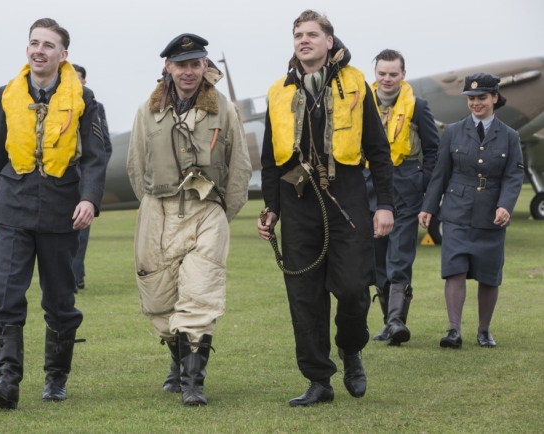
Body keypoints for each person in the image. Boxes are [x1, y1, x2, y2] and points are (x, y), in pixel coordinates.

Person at [257, 10, 394, 406]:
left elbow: (378, 151)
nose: (304, 40)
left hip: (346, 197)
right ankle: (319, 379)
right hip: (296, 199)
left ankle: (351, 349)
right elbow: (270, 160)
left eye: (312, 34)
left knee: (353, 289)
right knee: (303, 295)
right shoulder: (278, 91)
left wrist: (383, 204)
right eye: (298, 34)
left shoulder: (355, 84)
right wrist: (272, 209)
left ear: (329, 41)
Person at [0, 18, 107, 409]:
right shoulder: (7, 94)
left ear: (63, 55)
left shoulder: (86, 99)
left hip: (60, 211)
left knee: (60, 301)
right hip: (11, 207)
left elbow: (97, 157)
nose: (39, 50)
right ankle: (7, 379)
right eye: (34, 43)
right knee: (5, 294)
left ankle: (56, 378)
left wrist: (89, 199)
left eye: (48, 45)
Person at [127, 33, 251, 406]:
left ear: (204, 66)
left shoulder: (224, 109)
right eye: (181, 65)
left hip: (206, 211)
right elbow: (136, 165)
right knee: (159, 299)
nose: (189, 71)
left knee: (200, 295)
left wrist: (219, 212)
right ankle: (179, 362)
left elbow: (239, 167)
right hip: (158, 211)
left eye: (196, 64)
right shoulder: (146, 111)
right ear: (168, 67)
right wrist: (153, 205)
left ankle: (194, 383)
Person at [419, 73, 523, 349]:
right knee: (454, 269)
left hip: (492, 214)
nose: (476, 103)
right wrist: (429, 207)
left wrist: (506, 206)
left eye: (482, 98)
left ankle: (484, 331)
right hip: (456, 212)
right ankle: (453, 331)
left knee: (489, 274)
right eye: (472, 99)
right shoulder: (452, 131)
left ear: (495, 98)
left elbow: (514, 175)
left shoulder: (510, 136)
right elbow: (441, 173)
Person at [366, 49, 439, 346]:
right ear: (375, 74)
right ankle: (387, 323)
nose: (387, 79)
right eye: (382, 73)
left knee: (400, 256)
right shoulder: (361, 106)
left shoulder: (419, 106)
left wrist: (422, 182)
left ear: (403, 75)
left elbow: (433, 150)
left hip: (406, 187)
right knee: (377, 258)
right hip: (369, 189)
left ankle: (397, 321)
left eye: (393, 74)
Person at [71, 64, 113, 292]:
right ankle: (76, 274)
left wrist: (91, 177)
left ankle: (74, 279)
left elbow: (104, 146)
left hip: (81, 182)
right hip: (56, 181)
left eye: (77, 78)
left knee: (80, 233)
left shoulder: (96, 107)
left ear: (84, 82)